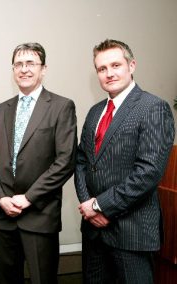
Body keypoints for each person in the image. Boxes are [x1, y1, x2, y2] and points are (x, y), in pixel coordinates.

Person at [75, 39, 175, 283]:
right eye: (101, 69)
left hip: (132, 232)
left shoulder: (154, 108)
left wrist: (100, 206)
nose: (109, 74)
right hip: (94, 232)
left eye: (115, 65)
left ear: (131, 65)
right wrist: (88, 206)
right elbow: (81, 162)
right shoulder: (95, 111)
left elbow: (148, 173)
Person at [0, 42, 77, 284]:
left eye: (31, 63)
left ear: (43, 69)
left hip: (40, 214)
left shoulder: (61, 106)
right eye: (19, 64)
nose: (24, 69)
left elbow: (65, 161)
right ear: (13, 69)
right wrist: (0, 198)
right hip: (5, 215)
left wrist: (28, 198)